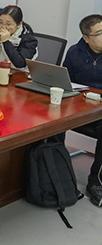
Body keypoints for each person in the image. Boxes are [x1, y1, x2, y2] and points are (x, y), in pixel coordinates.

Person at [61, 14, 102, 207]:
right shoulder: (74, 52)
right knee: (51, 117)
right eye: (99, 33)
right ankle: (56, 171)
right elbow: (64, 81)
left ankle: (96, 182)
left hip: (100, 112)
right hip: (79, 106)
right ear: (86, 37)